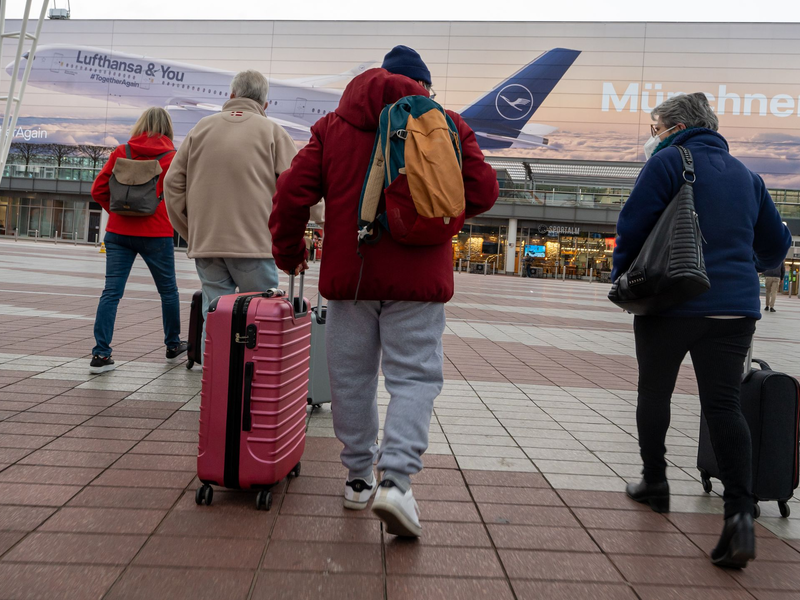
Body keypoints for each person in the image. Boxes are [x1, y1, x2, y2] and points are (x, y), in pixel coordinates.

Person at [269, 45, 498, 538]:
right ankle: (396, 481)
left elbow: (291, 193)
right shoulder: (447, 123)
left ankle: (357, 479)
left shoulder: (334, 125)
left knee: (350, 377)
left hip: (351, 277)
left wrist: (288, 252)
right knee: (414, 377)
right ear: (424, 86)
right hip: (419, 278)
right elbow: (483, 192)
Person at [613, 92, 791, 569]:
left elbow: (633, 225)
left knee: (655, 393)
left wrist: (621, 277)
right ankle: (740, 516)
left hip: (670, 303)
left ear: (675, 127)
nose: (653, 137)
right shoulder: (747, 175)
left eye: (655, 128)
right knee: (724, 406)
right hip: (734, 310)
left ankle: (655, 481)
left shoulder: (668, 162)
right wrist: (742, 266)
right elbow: (778, 244)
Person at [164, 70, 322, 339]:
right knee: (260, 319)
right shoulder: (273, 132)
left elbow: (172, 184)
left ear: (232, 95)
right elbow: (297, 186)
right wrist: (324, 218)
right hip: (255, 246)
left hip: (208, 243)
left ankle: (214, 367)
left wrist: (191, 232)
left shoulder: (200, 129)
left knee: (215, 318)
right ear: (265, 104)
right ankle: (252, 368)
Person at [89, 107, 186, 374]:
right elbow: (182, 196)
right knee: (168, 292)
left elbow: (98, 190)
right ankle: (172, 345)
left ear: (140, 124)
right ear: (168, 127)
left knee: (111, 293)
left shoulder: (121, 152)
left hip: (118, 234)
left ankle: (101, 355)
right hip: (157, 233)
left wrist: (118, 213)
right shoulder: (173, 157)